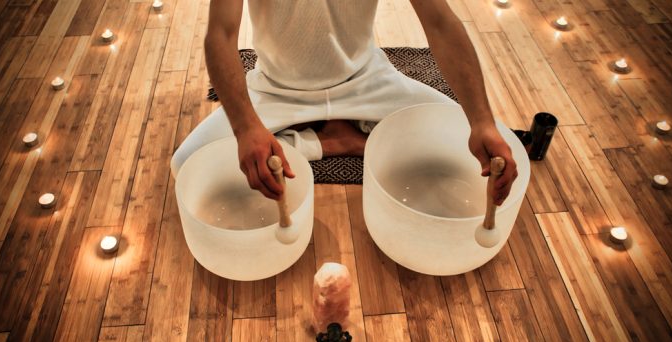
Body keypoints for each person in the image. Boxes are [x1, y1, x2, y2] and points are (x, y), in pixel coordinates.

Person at [171, 0, 518, 205]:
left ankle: (331, 139)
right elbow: (221, 33)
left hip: (367, 80)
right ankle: (330, 141)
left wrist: (482, 122)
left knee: (482, 142)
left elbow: (440, 22)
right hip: (276, 87)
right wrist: (247, 127)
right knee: (187, 164)